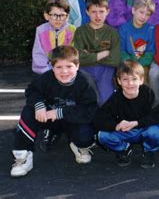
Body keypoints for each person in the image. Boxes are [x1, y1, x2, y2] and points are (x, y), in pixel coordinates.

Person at [10, 46, 98, 177]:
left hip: (72, 120)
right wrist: (39, 105)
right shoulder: (46, 78)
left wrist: (59, 112)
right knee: (29, 111)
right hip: (48, 117)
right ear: (52, 67)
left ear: (77, 66)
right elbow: (31, 91)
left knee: (85, 136)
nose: (64, 71)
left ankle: (78, 145)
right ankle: (23, 155)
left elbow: (89, 110)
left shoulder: (85, 81)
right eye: (58, 67)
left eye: (69, 66)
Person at [93, 60, 159, 169]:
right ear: (119, 81)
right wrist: (115, 126)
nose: (130, 83)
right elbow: (99, 119)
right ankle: (124, 148)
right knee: (102, 136)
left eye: (134, 79)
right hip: (124, 131)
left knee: (155, 131)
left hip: (143, 129)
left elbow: (158, 115)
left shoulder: (147, 93)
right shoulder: (115, 98)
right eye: (125, 79)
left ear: (141, 80)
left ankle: (149, 151)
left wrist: (137, 123)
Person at [73, 0, 120, 105]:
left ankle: (105, 121)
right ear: (87, 12)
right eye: (94, 12)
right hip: (85, 69)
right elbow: (78, 58)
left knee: (105, 100)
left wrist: (89, 55)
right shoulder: (80, 31)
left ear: (107, 11)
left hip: (106, 70)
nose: (98, 16)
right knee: (88, 99)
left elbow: (115, 59)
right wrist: (103, 54)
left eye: (101, 11)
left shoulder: (112, 32)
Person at [32, 0, 76, 74]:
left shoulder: (72, 30)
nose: (58, 19)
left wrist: (64, 70)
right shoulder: (41, 30)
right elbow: (38, 54)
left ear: (67, 17)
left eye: (62, 15)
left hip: (66, 72)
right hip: (46, 72)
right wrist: (47, 71)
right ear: (46, 16)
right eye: (54, 15)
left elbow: (74, 55)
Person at [118, 0, 155, 83]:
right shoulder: (123, 28)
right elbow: (121, 50)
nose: (143, 17)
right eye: (141, 12)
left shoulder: (150, 30)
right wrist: (131, 64)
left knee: (142, 81)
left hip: (143, 65)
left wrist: (138, 65)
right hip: (126, 64)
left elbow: (150, 52)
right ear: (133, 10)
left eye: (147, 14)